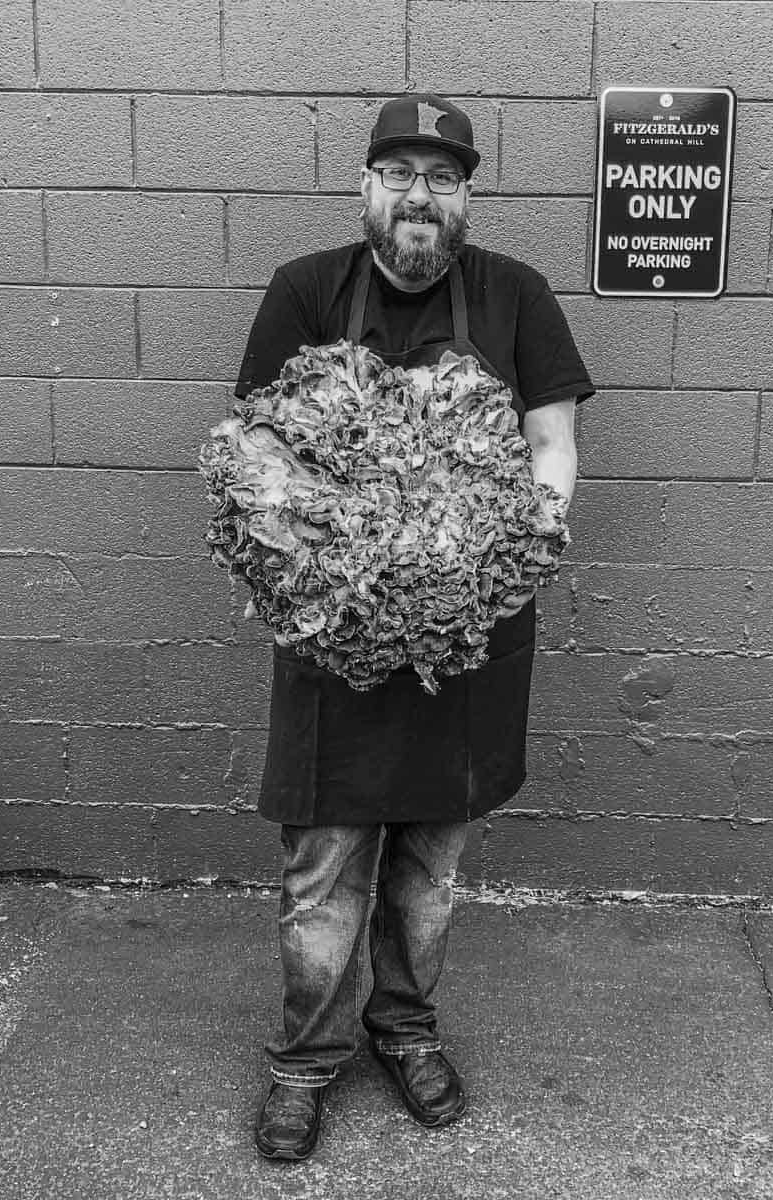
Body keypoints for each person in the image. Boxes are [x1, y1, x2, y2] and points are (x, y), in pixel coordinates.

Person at [232, 92, 595, 1162]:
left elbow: (549, 440)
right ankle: (305, 1059)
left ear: (466, 196)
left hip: (461, 644)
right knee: (326, 866)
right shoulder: (305, 291)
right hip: (333, 640)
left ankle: (405, 1028)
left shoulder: (517, 297)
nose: (418, 197)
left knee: (430, 866)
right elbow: (256, 451)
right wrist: (339, 558)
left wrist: (520, 538)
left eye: (441, 178)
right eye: (398, 174)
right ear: (366, 188)